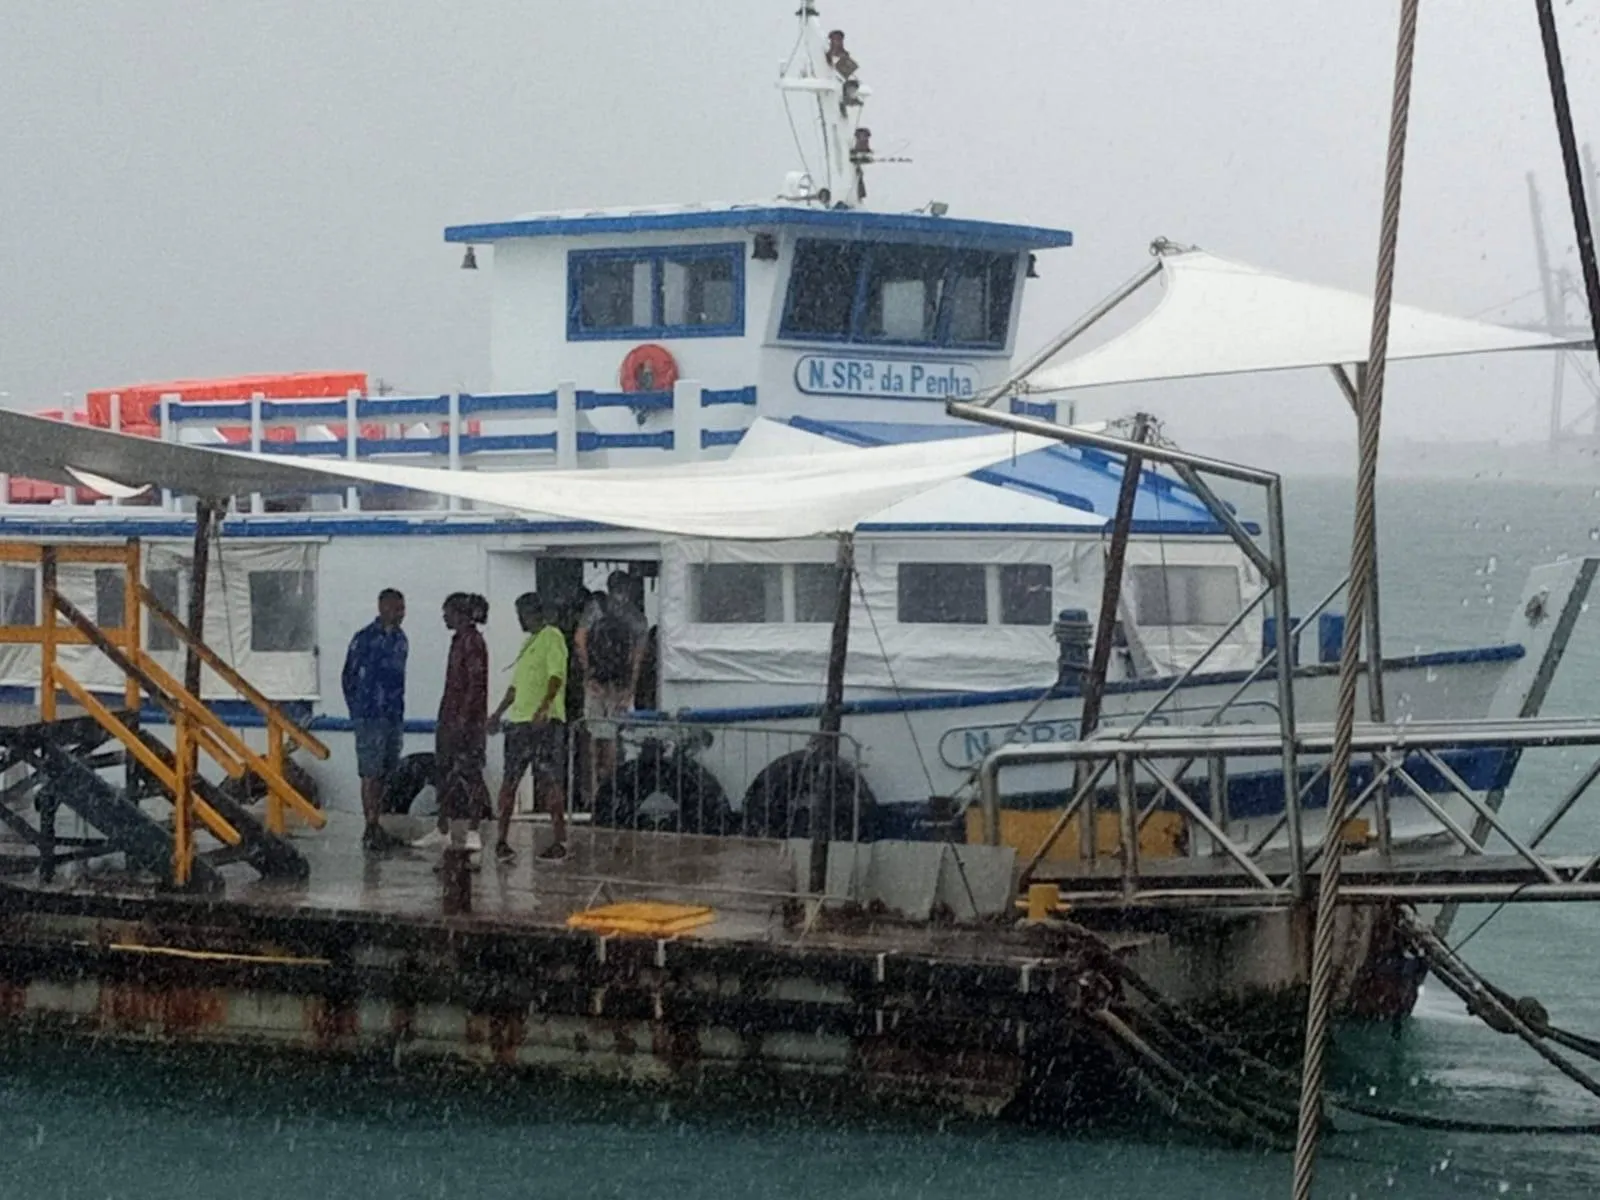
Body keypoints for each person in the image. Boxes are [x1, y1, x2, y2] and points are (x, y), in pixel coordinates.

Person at [488, 593, 569, 864]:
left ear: (533, 613)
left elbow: (556, 676)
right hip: (519, 723)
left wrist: (545, 707)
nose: (520, 620)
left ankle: (560, 841)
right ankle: (501, 840)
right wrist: (498, 713)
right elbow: (515, 687)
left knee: (550, 781)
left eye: (522, 615)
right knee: (510, 782)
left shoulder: (552, 637)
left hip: (544, 723)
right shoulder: (527, 644)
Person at [342, 588, 408, 852]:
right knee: (370, 771)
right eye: (396, 608)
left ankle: (378, 822)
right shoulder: (364, 639)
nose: (401, 614)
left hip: (393, 714)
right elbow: (348, 676)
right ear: (382, 608)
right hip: (370, 715)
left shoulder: (401, 640)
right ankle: (370, 826)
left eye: (403, 609)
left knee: (386, 770)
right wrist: (357, 710)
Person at [575, 570, 648, 802]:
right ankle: (616, 790)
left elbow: (579, 639)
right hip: (619, 685)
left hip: (597, 683)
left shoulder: (595, 609)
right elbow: (638, 657)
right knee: (618, 738)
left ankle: (593, 792)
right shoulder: (636, 616)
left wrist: (588, 675)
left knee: (594, 738)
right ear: (629, 588)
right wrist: (631, 688)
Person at [434, 592, 492, 863]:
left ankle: (473, 830)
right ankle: (442, 828)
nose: (444, 616)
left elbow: (475, 685)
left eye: (447, 612)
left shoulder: (473, 642)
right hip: (449, 717)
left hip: (466, 723)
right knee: (444, 772)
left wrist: (463, 720)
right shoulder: (457, 641)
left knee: (471, 775)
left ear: (459, 613)